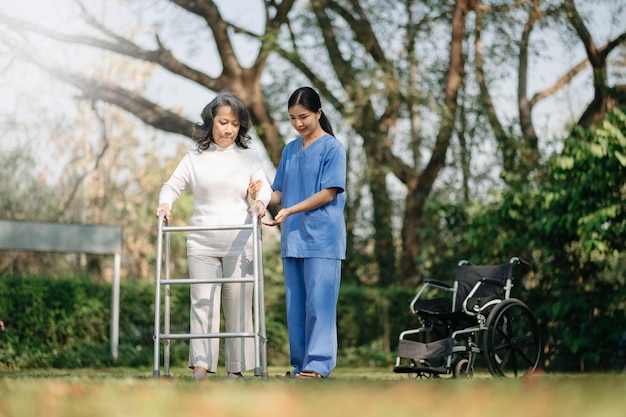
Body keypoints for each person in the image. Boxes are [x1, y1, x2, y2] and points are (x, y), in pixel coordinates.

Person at [155, 92, 272, 380]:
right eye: (223, 122)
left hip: (239, 243)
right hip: (201, 243)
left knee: (239, 308)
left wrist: (259, 202)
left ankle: (236, 370)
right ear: (211, 121)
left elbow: (264, 188)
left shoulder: (249, 157)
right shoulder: (194, 158)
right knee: (202, 305)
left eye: (234, 123)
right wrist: (165, 204)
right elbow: (171, 186)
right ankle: (200, 367)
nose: (228, 129)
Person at [250, 86, 346, 378]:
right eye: (292, 118)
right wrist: (260, 194)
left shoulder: (332, 148)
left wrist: (290, 210)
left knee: (320, 307)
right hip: (293, 239)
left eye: (303, 116)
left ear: (318, 113)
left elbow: (328, 193)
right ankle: (300, 366)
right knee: (297, 311)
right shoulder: (290, 150)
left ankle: (317, 365)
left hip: (323, 239)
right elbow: (279, 195)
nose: (298, 123)